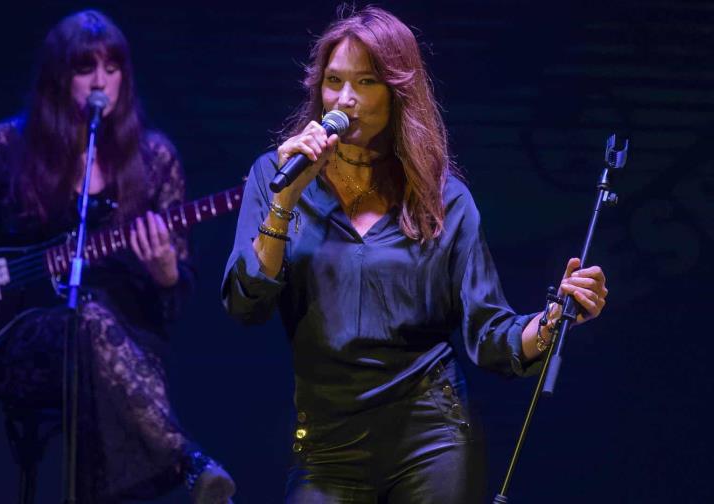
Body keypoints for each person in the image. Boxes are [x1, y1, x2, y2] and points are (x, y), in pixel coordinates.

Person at [222, 6, 608, 503]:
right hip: (326, 444)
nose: (345, 99)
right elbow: (244, 304)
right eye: (333, 81)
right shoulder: (277, 175)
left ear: (397, 94)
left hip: (431, 438)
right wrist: (284, 204)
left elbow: (489, 334)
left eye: (365, 82)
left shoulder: (442, 198)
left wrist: (555, 319)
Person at [0, 10, 235, 503]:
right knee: (84, 319)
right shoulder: (9, 145)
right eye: (85, 68)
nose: (102, 81)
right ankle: (186, 463)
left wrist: (165, 270)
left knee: (96, 325)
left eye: (113, 67)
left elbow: (173, 296)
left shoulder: (155, 157)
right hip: (23, 339)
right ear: (59, 78)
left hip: (130, 342)